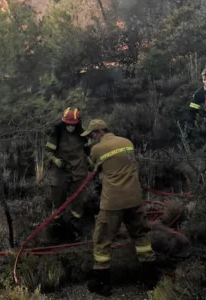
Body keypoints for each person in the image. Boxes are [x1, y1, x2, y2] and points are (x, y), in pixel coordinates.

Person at [81, 119, 154, 297]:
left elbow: (92, 168)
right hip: (134, 198)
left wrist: (86, 153)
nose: (91, 138)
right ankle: (151, 279)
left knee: (102, 239)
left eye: (92, 135)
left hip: (113, 202)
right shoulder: (127, 142)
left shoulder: (97, 149)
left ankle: (102, 283)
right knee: (141, 235)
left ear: (100, 132)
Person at [44, 107, 89, 223]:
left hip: (79, 169)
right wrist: (55, 160)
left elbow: (88, 149)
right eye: (68, 124)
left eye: (73, 125)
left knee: (78, 197)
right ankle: (57, 221)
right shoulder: (57, 132)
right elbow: (48, 151)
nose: (70, 127)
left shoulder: (83, 133)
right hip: (61, 170)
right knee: (58, 195)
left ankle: (76, 220)